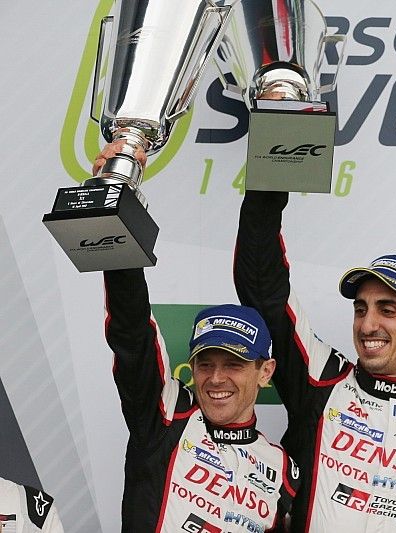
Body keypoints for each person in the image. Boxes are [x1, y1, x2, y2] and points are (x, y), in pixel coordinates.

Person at [232, 193, 396, 529]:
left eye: (387, 310)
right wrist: (267, 188)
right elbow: (262, 289)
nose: (368, 324)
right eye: (361, 309)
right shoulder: (322, 378)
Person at [92, 145, 300, 532]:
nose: (216, 378)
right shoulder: (167, 418)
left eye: (234, 363)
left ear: (265, 371)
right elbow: (132, 333)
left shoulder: (284, 470)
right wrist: (115, 214)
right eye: (206, 363)